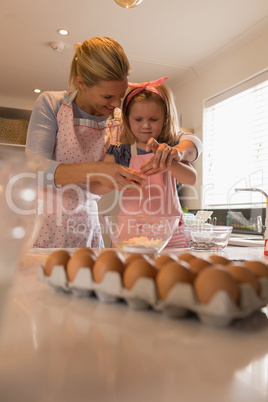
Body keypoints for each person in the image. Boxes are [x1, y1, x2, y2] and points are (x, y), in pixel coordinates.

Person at [26, 37, 202, 248]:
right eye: (108, 96)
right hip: (44, 225)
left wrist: (177, 154)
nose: (117, 104)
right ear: (81, 83)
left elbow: (190, 141)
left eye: (121, 94)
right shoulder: (52, 104)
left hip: (88, 226)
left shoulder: (121, 121)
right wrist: (102, 170)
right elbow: (37, 169)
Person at [94, 77, 201, 247]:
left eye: (153, 119)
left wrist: (168, 161)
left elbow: (191, 179)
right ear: (128, 118)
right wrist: (116, 180)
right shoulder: (121, 152)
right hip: (131, 233)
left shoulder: (170, 148)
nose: (146, 125)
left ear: (165, 118)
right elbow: (96, 187)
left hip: (170, 233)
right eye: (138, 119)